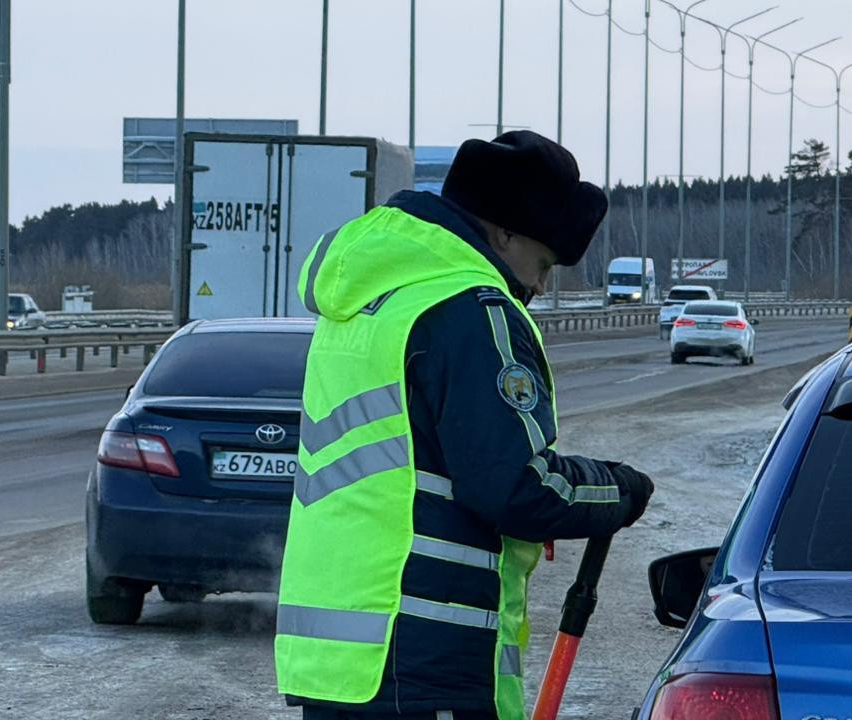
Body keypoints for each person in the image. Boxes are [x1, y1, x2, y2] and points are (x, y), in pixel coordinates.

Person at [276, 131, 655, 720]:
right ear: (503, 232)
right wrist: (617, 491)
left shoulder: (371, 300)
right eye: (544, 261)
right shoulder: (472, 312)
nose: (540, 286)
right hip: (425, 651)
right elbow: (512, 487)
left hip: (339, 663)